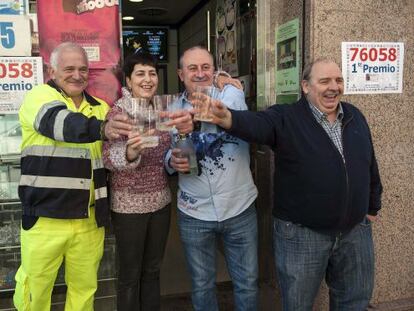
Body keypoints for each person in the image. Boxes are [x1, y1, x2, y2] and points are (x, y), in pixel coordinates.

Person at [209, 58, 383, 311]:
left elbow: (369, 164)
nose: (333, 87)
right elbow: (258, 125)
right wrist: (227, 117)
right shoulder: (286, 116)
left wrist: (372, 206)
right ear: (305, 86)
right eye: (324, 81)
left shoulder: (354, 115)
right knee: (298, 305)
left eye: (338, 80)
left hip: (355, 232)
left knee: (354, 302)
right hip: (302, 236)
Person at [13, 42, 131, 311]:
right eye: (69, 69)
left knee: (84, 293)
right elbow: (61, 124)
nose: (77, 75)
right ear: (51, 70)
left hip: (89, 220)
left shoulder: (101, 107)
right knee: (35, 293)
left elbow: (113, 157)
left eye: (82, 69)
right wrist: (102, 128)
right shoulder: (39, 97)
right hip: (45, 219)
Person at [165, 46, 259, 311]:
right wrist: (171, 161)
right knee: (202, 285)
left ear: (214, 70)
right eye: (192, 68)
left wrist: (223, 81)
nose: (199, 73)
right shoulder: (171, 109)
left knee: (247, 283)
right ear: (180, 73)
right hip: (194, 211)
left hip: (239, 207)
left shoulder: (231, 94)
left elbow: (231, 109)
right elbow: (163, 153)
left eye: (206, 67)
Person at [102, 53, 192, 311]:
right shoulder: (118, 112)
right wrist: (130, 153)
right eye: (140, 74)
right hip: (128, 207)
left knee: (153, 270)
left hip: (161, 202)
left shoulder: (163, 110)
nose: (148, 79)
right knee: (130, 275)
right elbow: (107, 157)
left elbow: (195, 99)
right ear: (128, 81)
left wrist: (221, 80)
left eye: (152, 73)